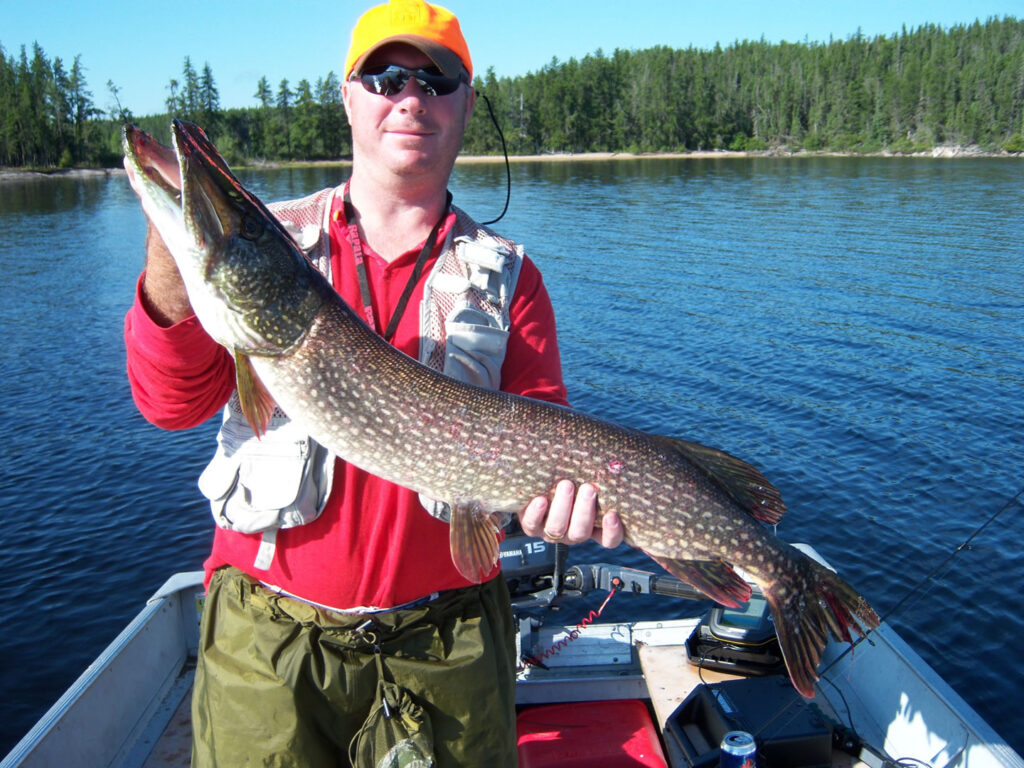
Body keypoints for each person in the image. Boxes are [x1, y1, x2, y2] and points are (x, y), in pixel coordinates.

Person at [124, 0, 623, 765]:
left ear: (467, 104)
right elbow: (169, 405)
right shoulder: (277, 242)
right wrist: (175, 245)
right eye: (385, 77)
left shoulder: (512, 279)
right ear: (349, 96)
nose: (411, 97)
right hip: (269, 644)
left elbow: (542, 434)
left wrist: (560, 508)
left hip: (446, 646)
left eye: (438, 79)